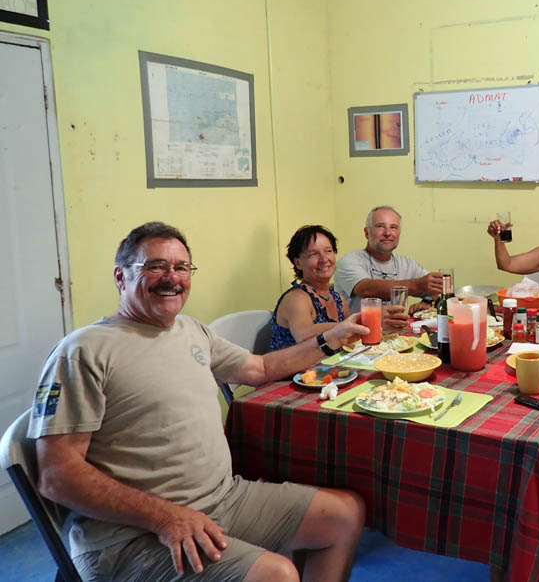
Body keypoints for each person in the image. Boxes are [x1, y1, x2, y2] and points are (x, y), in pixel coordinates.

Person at [29, 221, 368, 582]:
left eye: (181, 267)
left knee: (345, 514)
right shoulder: (82, 352)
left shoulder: (191, 330)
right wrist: (164, 516)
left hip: (223, 500)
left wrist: (330, 338)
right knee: (277, 574)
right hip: (131, 535)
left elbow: (262, 367)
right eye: (155, 266)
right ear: (121, 276)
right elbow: (56, 475)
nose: (171, 277)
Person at [269, 225, 409, 351]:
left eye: (328, 251)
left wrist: (380, 324)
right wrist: (363, 321)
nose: (324, 259)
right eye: (313, 254)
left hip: (330, 370)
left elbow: (352, 337)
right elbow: (303, 334)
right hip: (294, 376)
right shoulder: (297, 297)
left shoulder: (338, 299)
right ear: (298, 263)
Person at [334, 205, 444, 314]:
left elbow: (439, 289)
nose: (387, 233)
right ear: (367, 232)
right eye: (380, 226)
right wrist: (417, 285)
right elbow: (366, 290)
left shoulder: (407, 263)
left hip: (399, 330)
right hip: (360, 330)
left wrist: (428, 301)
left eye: (393, 227)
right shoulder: (349, 261)